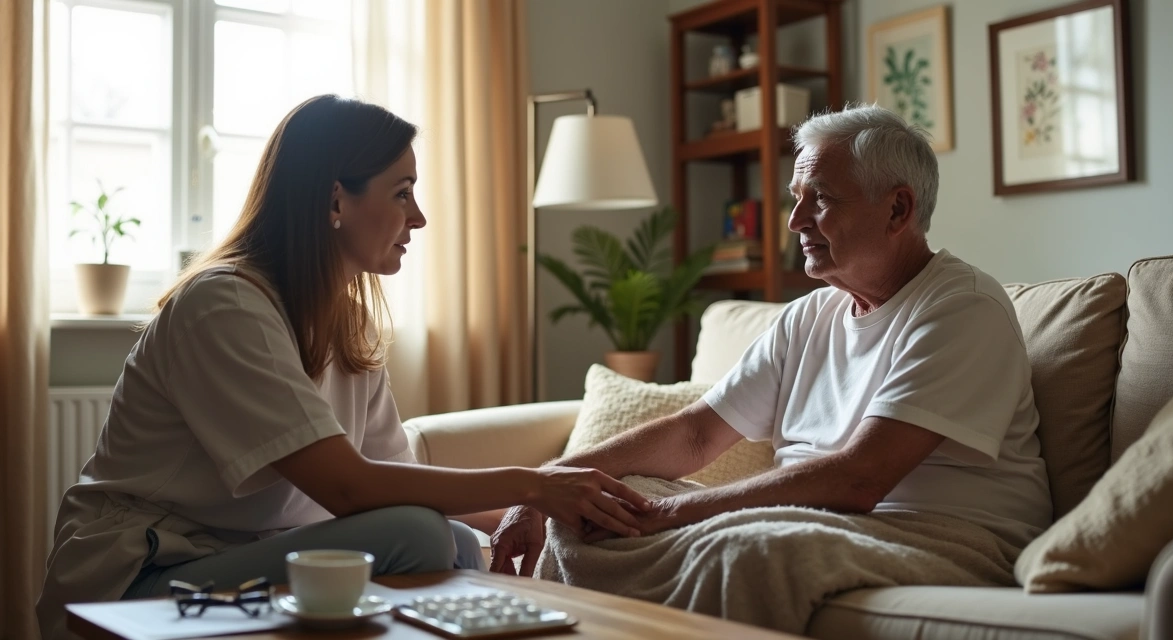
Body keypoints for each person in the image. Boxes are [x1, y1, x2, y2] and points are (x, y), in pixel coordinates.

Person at [37, 95, 650, 640]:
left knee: (455, 537)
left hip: (240, 560)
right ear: (336, 198)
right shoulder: (223, 305)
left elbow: (395, 477)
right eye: (402, 192)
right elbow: (350, 487)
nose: (420, 218)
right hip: (142, 578)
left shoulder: (347, 320)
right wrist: (534, 482)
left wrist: (546, 512)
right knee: (419, 537)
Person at [491, 104, 1052, 577]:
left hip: (949, 534)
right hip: (824, 520)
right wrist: (543, 486)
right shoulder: (808, 316)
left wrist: (673, 513)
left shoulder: (961, 307)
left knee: (734, 545)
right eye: (796, 197)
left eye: (822, 200)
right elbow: (694, 436)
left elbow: (859, 478)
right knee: (595, 507)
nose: (795, 221)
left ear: (898, 208)